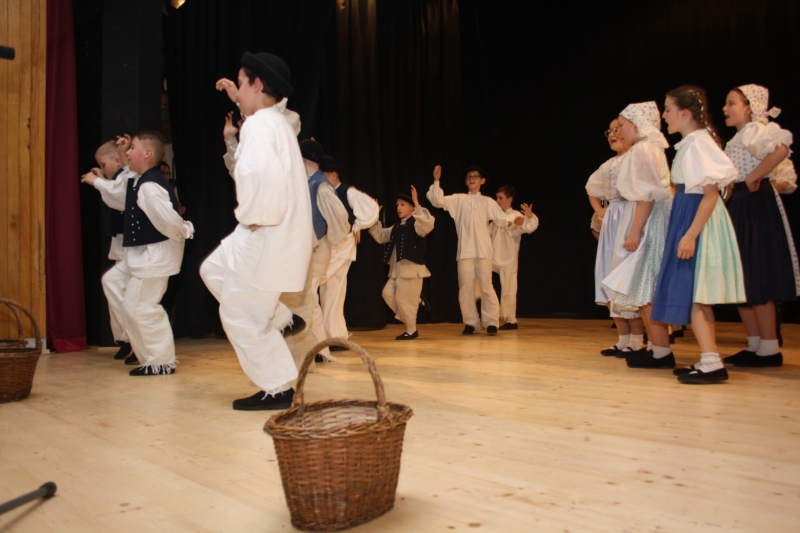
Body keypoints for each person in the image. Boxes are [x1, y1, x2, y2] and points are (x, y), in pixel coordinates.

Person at [200, 52, 312, 409]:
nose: (238, 92)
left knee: (240, 314)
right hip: (266, 230)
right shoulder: (274, 121)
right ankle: (282, 318)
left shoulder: (261, 126)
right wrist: (239, 96)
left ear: (258, 84)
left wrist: (255, 213)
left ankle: (278, 388)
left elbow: (262, 176)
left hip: (264, 230)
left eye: (242, 83)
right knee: (212, 270)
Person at [649, 86, 745, 383]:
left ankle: (712, 362)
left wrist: (690, 235)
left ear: (684, 113)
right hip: (688, 215)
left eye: (668, 109)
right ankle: (708, 358)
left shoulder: (699, 144)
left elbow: (710, 194)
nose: (665, 116)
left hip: (696, 219)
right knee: (695, 293)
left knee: (695, 293)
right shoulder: (692, 144)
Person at [82, 131, 194, 375]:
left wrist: (184, 230)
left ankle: (161, 361)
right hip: (147, 256)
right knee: (133, 306)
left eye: (132, 147)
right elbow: (126, 177)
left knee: (143, 308)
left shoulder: (150, 186)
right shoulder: (141, 179)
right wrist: (123, 154)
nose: (128, 151)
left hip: (155, 256)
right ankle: (152, 359)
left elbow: (169, 220)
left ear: (147, 153)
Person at [721, 84, 795, 368]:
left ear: (750, 107)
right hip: (741, 203)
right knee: (745, 275)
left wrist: (755, 176)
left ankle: (769, 348)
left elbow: (781, 148)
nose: (725, 108)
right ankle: (755, 345)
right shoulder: (741, 136)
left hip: (754, 205)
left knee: (757, 271)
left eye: (731, 103)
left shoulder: (754, 129)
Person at [600, 102, 673, 364]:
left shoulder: (643, 149)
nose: (618, 131)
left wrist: (635, 232)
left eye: (622, 126)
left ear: (637, 125)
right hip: (653, 217)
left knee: (645, 286)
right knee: (646, 286)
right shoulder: (652, 147)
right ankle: (656, 347)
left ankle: (660, 351)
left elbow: (646, 196)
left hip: (648, 220)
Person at [427, 165, 516, 335]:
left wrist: (512, 220)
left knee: (486, 285)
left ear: (482, 181)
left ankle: (491, 322)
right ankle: (471, 322)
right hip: (465, 251)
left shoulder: (488, 202)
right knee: (466, 288)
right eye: (469, 177)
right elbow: (437, 200)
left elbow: (501, 218)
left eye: (475, 176)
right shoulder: (459, 199)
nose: (472, 179)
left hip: (483, 251)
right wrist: (437, 180)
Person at [586, 118, 645, 355]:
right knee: (609, 274)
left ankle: (638, 340)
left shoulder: (637, 157)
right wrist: (601, 211)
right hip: (613, 218)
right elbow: (591, 189)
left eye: (617, 129)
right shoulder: (607, 165)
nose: (612, 134)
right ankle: (623, 339)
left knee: (627, 277)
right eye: (609, 131)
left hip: (631, 214)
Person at [82, 140, 138, 361]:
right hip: (122, 242)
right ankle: (125, 338)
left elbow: (122, 199)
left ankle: (133, 340)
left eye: (103, 164)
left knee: (123, 290)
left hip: (134, 244)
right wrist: (102, 181)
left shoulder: (130, 176)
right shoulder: (119, 178)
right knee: (116, 289)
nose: (102, 168)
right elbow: (114, 196)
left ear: (118, 160)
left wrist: (98, 182)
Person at [318, 155, 380, 345]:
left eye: (324, 175)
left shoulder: (347, 191)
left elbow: (372, 210)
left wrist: (356, 226)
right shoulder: (324, 192)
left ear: (333, 175)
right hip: (330, 245)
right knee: (331, 291)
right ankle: (335, 335)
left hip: (342, 245)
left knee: (325, 284)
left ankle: (332, 336)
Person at [298, 140, 351, 363]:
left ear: (304, 158)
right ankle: (318, 349)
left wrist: (325, 239)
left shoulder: (321, 185)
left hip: (317, 250)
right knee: (307, 299)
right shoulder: (308, 181)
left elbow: (340, 218)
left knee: (309, 298)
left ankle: (320, 350)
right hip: (306, 250)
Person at [368, 186, 435, 339]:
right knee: (387, 294)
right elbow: (381, 236)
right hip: (397, 270)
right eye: (397, 205)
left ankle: (411, 330)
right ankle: (416, 301)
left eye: (403, 204)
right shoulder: (397, 227)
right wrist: (374, 218)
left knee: (403, 300)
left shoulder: (417, 225)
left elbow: (428, 225)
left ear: (411, 208)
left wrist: (417, 204)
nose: (398, 207)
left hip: (411, 269)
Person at [489, 185, 538, 329]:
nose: (498, 201)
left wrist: (529, 216)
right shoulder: (495, 218)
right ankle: (491, 317)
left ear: (509, 199)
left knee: (509, 289)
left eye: (501, 198)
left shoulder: (516, 215)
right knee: (483, 282)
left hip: (508, 259)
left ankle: (510, 320)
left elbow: (528, 227)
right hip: (493, 258)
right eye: (497, 198)